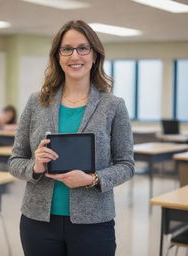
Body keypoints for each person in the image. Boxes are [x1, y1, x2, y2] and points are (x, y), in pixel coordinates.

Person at [9, 20, 134, 256]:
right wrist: (35, 167)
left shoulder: (113, 106)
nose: (74, 55)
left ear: (95, 55)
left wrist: (92, 179)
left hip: (94, 222)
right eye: (67, 49)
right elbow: (15, 160)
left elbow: (126, 165)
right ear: (58, 56)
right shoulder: (36, 102)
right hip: (38, 222)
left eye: (83, 48)